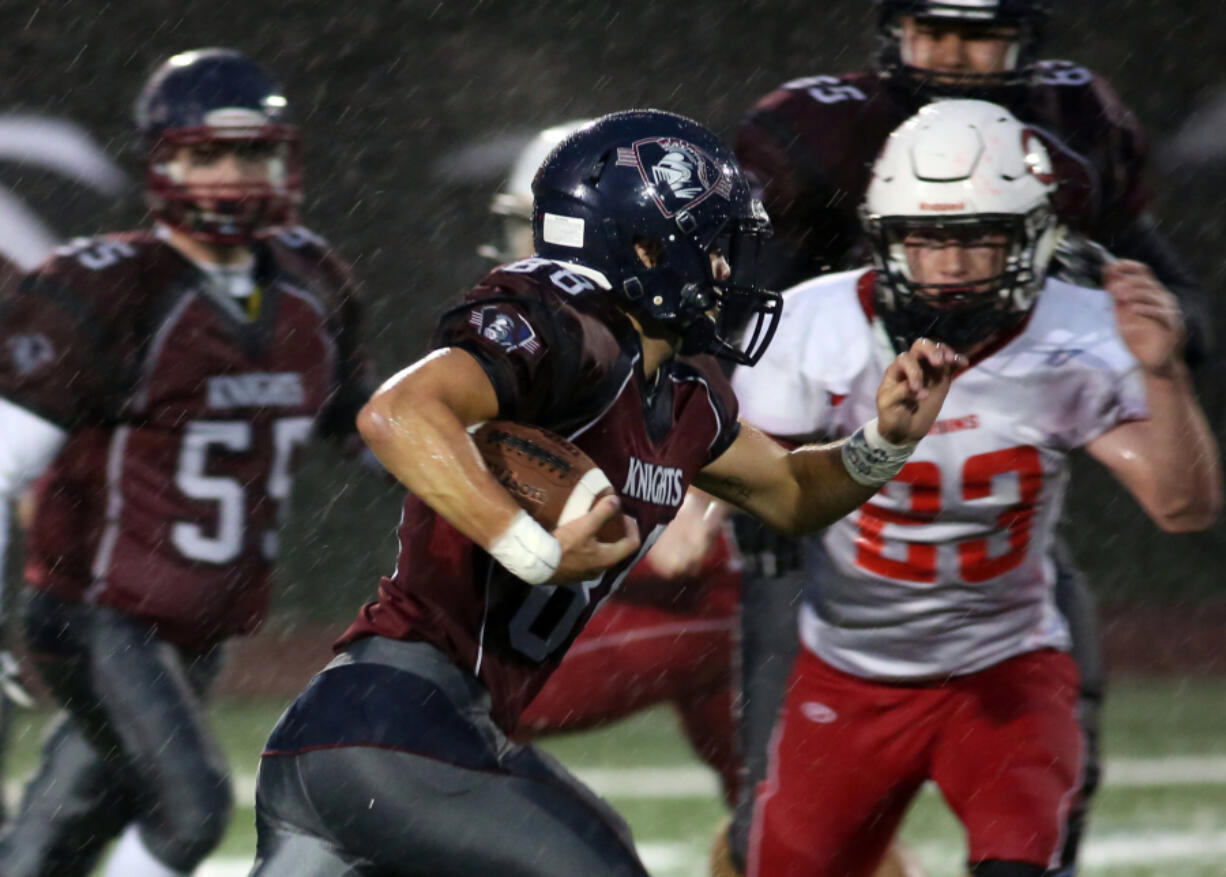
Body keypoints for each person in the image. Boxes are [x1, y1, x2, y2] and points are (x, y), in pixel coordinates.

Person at [248, 108, 963, 877]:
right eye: (713, 246)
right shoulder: (563, 320)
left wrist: (885, 439)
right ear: (649, 248)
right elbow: (396, 413)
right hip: (392, 722)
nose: (727, 271)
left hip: (387, 740)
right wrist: (531, 545)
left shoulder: (688, 397)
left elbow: (792, 493)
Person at [724, 3, 1213, 872]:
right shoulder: (809, 320)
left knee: (1034, 840)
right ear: (880, 239)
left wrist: (1166, 368)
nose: (949, 265)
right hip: (843, 651)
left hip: (1006, 659)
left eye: (979, 239)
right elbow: (753, 462)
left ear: (1036, 239)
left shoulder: (1077, 324)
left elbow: (1185, 505)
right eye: (928, 237)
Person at [0, 48, 371, 877]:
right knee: (191, 805)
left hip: (197, 622)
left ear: (285, 158)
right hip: (98, 612)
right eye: (207, 154)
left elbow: (357, 422)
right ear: (162, 161)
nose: (232, 176)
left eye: (250, 151)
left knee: (61, 831)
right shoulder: (106, 287)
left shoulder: (312, 280)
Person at [484, 120, 743, 804]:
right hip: (662, 603)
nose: (531, 255)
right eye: (526, 231)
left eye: (548, 232)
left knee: (461, 700)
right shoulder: (530, 344)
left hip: (702, 606)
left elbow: (677, 549)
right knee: (777, 828)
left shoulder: (664, 354)